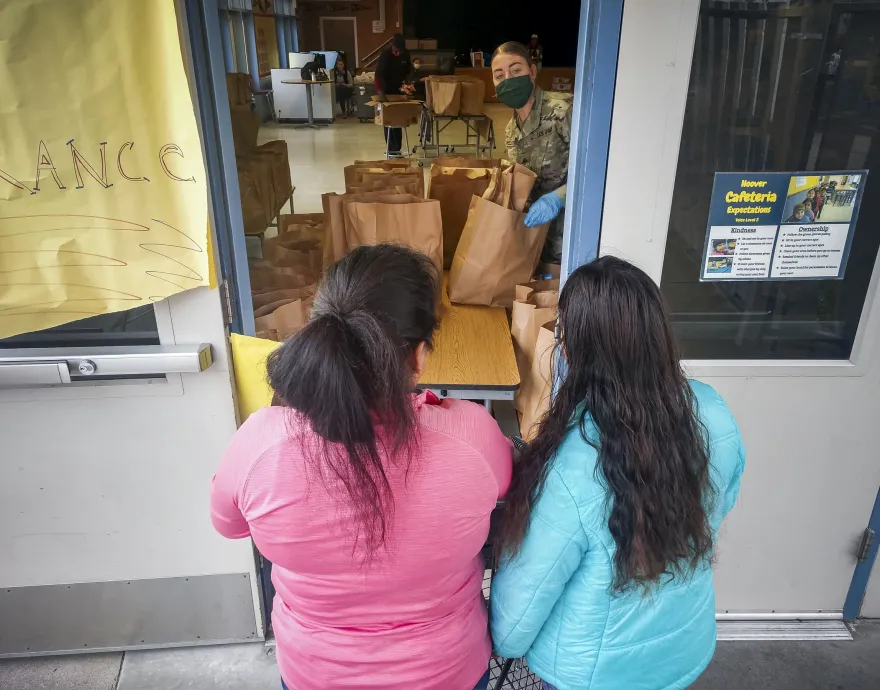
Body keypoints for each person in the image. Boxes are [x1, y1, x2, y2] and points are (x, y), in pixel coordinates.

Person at [211, 245, 511, 690]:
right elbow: (507, 495)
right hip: (446, 673)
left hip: (315, 674)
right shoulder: (474, 438)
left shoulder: (260, 444)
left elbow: (228, 525)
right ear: (420, 355)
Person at [490, 256, 746, 690]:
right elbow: (722, 501)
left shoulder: (574, 463)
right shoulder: (712, 412)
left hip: (593, 673)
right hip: (683, 647)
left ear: (579, 349)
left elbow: (516, 622)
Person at [492, 41, 572, 263]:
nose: (508, 79)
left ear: (533, 72)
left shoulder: (564, 110)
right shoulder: (511, 130)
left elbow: (596, 170)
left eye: (516, 70)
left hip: (569, 239)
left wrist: (558, 198)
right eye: (499, 75)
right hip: (535, 238)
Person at [375, 33, 412, 156]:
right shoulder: (385, 55)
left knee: (399, 120)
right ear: (392, 45)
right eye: (396, 50)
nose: (398, 52)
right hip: (386, 90)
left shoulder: (405, 53)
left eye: (400, 50)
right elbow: (378, 76)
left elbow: (409, 70)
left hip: (398, 89)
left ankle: (397, 149)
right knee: (389, 121)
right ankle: (391, 149)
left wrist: (407, 81)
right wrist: (383, 97)